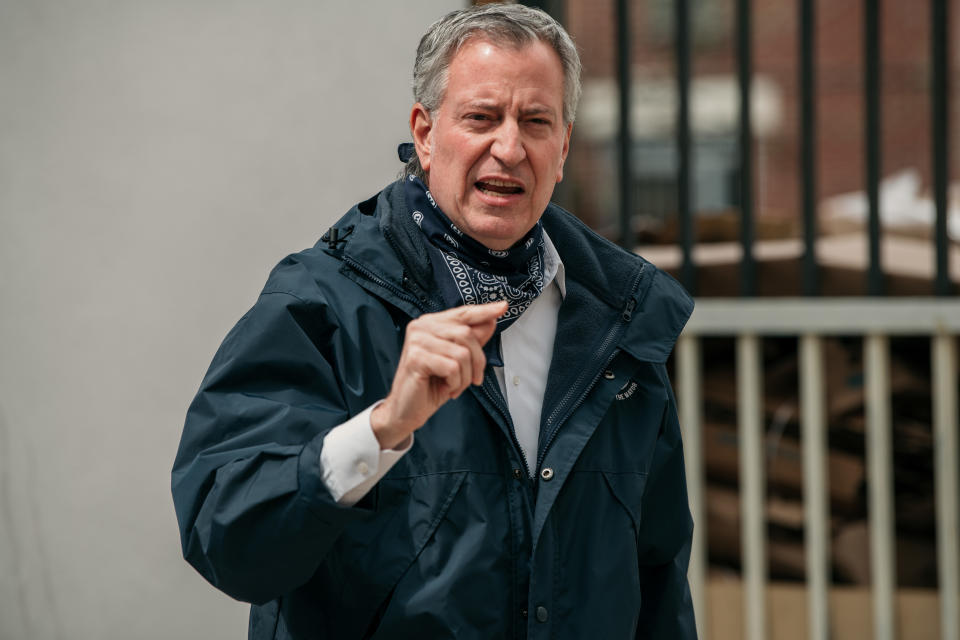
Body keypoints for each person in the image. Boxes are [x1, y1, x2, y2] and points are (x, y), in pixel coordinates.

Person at [172, 4, 697, 639]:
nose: (509, 147)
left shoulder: (620, 321)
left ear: (562, 149)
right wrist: (383, 427)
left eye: (536, 121)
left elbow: (658, 580)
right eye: (481, 118)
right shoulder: (321, 302)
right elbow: (229, 540)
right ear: (425, 133)